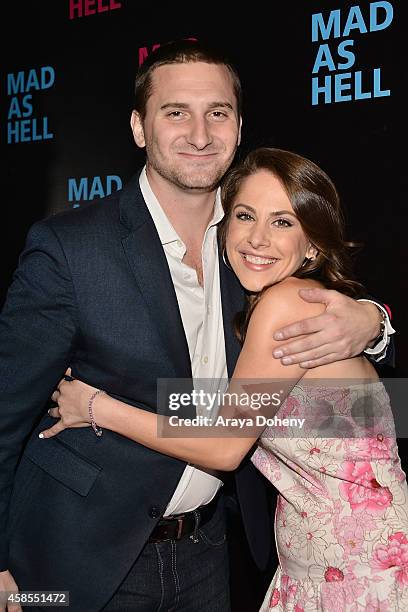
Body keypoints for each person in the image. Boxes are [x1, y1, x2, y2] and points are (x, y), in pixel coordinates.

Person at [0, 41, 393, 612]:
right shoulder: (70, 248)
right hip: (76, 563)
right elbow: (7, 410)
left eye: (218, 113)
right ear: (139, 128)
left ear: (238, 127)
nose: (200, 134)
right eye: (175, 112)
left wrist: (373, 324)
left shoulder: (251, 253)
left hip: (214, 554)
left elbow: (244, 413)